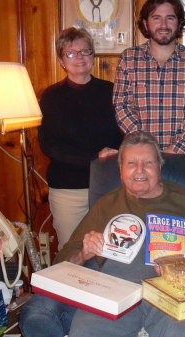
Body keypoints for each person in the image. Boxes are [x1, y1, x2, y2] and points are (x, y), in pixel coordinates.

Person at [20, 131, 185, 337]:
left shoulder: (184, 201)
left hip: (171, 292)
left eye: (148, 162)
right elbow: (63, 260)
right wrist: (84, 253)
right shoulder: (107, 204)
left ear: (159, 167)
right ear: (120, 170)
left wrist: (184, 267)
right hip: (116, 290)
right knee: (86, 332)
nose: (140, 171)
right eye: (131, 163)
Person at [39, 27, 123, 249]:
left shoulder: (111, 91)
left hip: (108, 185)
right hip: (68, 190)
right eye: (71, 53)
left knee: (109, 250)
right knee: (71, 250)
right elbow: (49, 145)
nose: (79, 58)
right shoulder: (51, 96)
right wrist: (94, 157)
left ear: (93, 56)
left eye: (85, 51)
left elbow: (123, 134)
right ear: (61, 60)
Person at [113, 0, 185, 154]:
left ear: (179, 23)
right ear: (145, 23)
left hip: (184, 157)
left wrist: (176, 148)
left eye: (170, 18)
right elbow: (122, 106)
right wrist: (145, 145)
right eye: (156, 18)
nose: (163, 25)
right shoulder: (128, 59)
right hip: (141, 155)